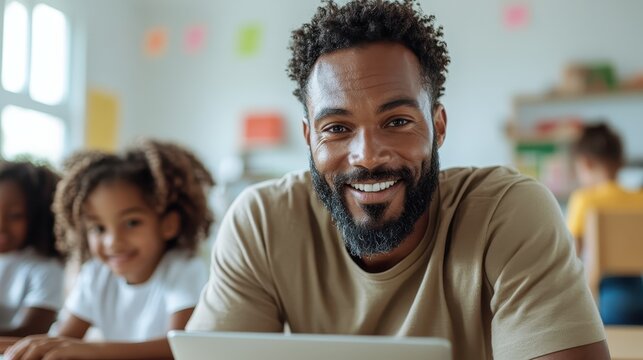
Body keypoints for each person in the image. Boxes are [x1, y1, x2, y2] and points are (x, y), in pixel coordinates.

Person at [186, 1, 608, 359]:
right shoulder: (261, 222)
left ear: (438, 126)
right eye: (336, 128)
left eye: (398, 121)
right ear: (308, 138)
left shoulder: (508, 213)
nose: (367, 155)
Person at [5, 140, 215, 360]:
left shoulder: (183, 268)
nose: (113, 242)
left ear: (168, 224)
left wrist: (92, 349)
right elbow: (64, 340)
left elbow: (179, 348)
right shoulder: (95, 274)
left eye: (132, 223)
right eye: (98, 228)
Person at [566, 122, 643, 324]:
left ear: (586, 164)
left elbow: (573, 255)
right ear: (621, 162)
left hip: (607, 298)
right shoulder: (640, 198)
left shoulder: (584, 200)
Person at [0, 161, 64, 338]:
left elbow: (32, 332)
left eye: (15, 216)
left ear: (40, 217)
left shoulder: (45, 268)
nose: (1, 225)